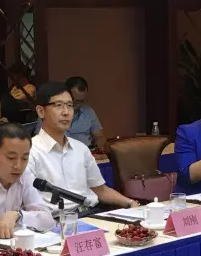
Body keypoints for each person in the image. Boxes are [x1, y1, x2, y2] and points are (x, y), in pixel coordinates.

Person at [28, 81, 139, 214]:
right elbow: (26, 200)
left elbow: (101, 190)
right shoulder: (29, 151)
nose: (66, 112)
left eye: (70, 105)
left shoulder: (81, 149)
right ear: (41, 111)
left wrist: (130, 203)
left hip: (90, 214)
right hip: (55, 219)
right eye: (58, 106)